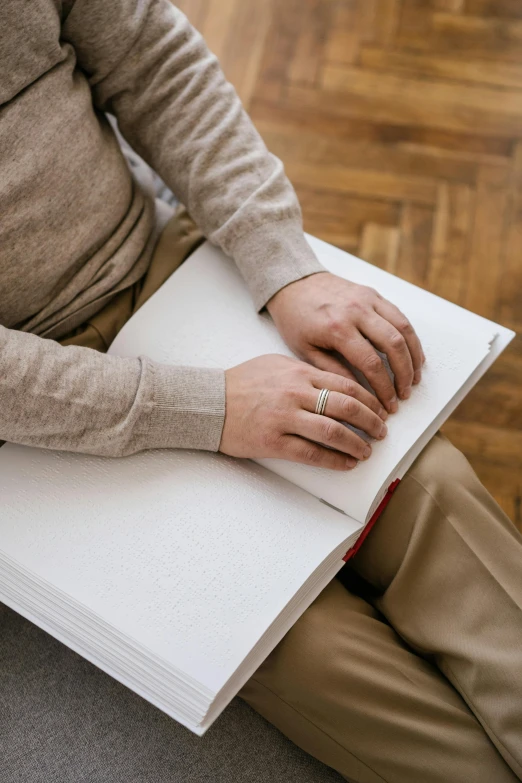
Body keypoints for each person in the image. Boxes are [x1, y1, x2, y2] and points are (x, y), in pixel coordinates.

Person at [1, 2, 521, 781]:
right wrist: (212, 409)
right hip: (36, 422)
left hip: (157, 265)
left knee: (432, 486)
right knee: (301, 644)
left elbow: (152, 63)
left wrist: (284, 261)